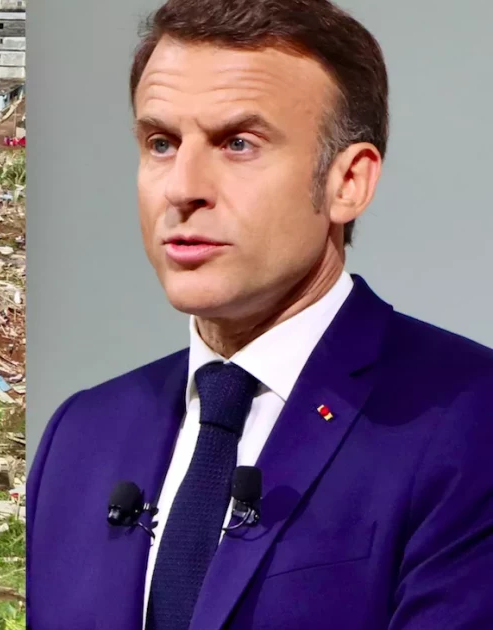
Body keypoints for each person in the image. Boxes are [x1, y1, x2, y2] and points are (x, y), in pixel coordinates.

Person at [26, 1, 493, 629]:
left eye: (238, 143)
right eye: (160, 143)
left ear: (347, 182)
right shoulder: (81, 435)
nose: (182, 186)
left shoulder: (467, 418)